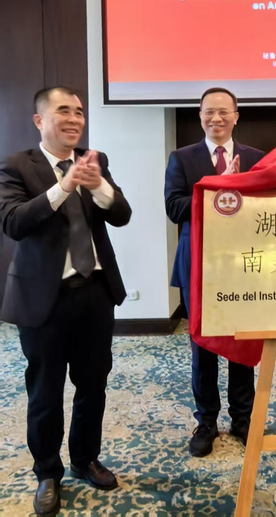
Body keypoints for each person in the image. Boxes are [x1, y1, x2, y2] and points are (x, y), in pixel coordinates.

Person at [0, 86, 132, 517]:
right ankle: (47, 473)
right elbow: (13, 222)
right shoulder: (17, 164)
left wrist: (100, 187)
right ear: (40, 120)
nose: (75, 119)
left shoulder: (95, 160)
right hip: (44, 299)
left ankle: (84, 458)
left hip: (95, 293)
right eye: (63, 111)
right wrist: (63, 187)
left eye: (79, 111)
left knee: (93, 384)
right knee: (45, 390)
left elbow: (122, 215)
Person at [164, 87, 264, 457]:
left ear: (236, 116)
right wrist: (220, 187)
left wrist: (240, 187)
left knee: (241, 343)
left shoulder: (256, 158)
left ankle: (243, 417)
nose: (216, 118)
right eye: (209, 111)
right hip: (198, 265)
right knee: (203, 346)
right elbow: (174, 208)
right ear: (200, 115)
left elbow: (265, 208)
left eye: (224, 111)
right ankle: (206, 420)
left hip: (243, 264)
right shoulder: (182, 157)